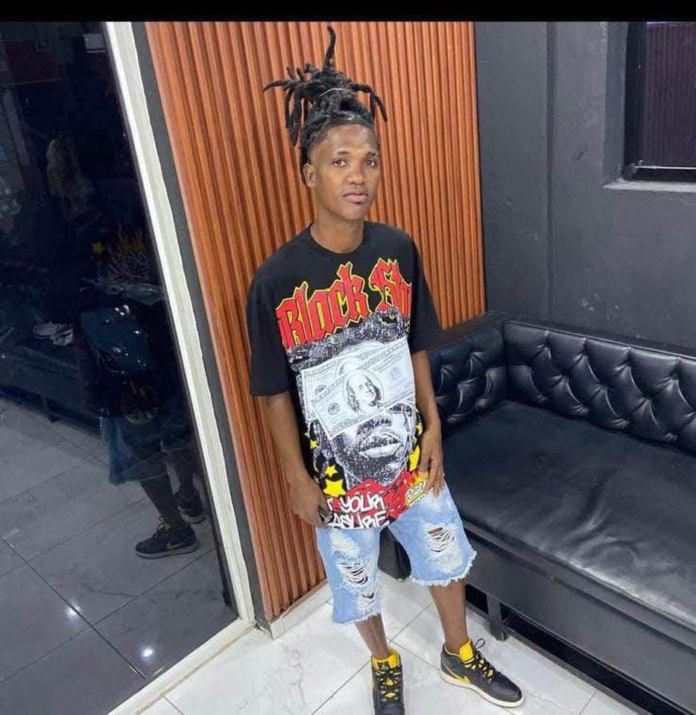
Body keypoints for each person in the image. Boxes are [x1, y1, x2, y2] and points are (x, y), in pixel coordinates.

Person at [246, 26, 524, 713]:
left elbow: (415, 343)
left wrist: (434, 425)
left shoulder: (398, 249)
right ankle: (384, 660)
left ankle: (458, 652)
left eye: (369, 162)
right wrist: (294, 477)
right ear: (308, 173)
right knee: (358, 578)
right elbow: (273, 389)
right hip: (335, 474)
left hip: (408, 455)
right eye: (340, 161)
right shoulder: (276, 279)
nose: (358, 176)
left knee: (443, 551)